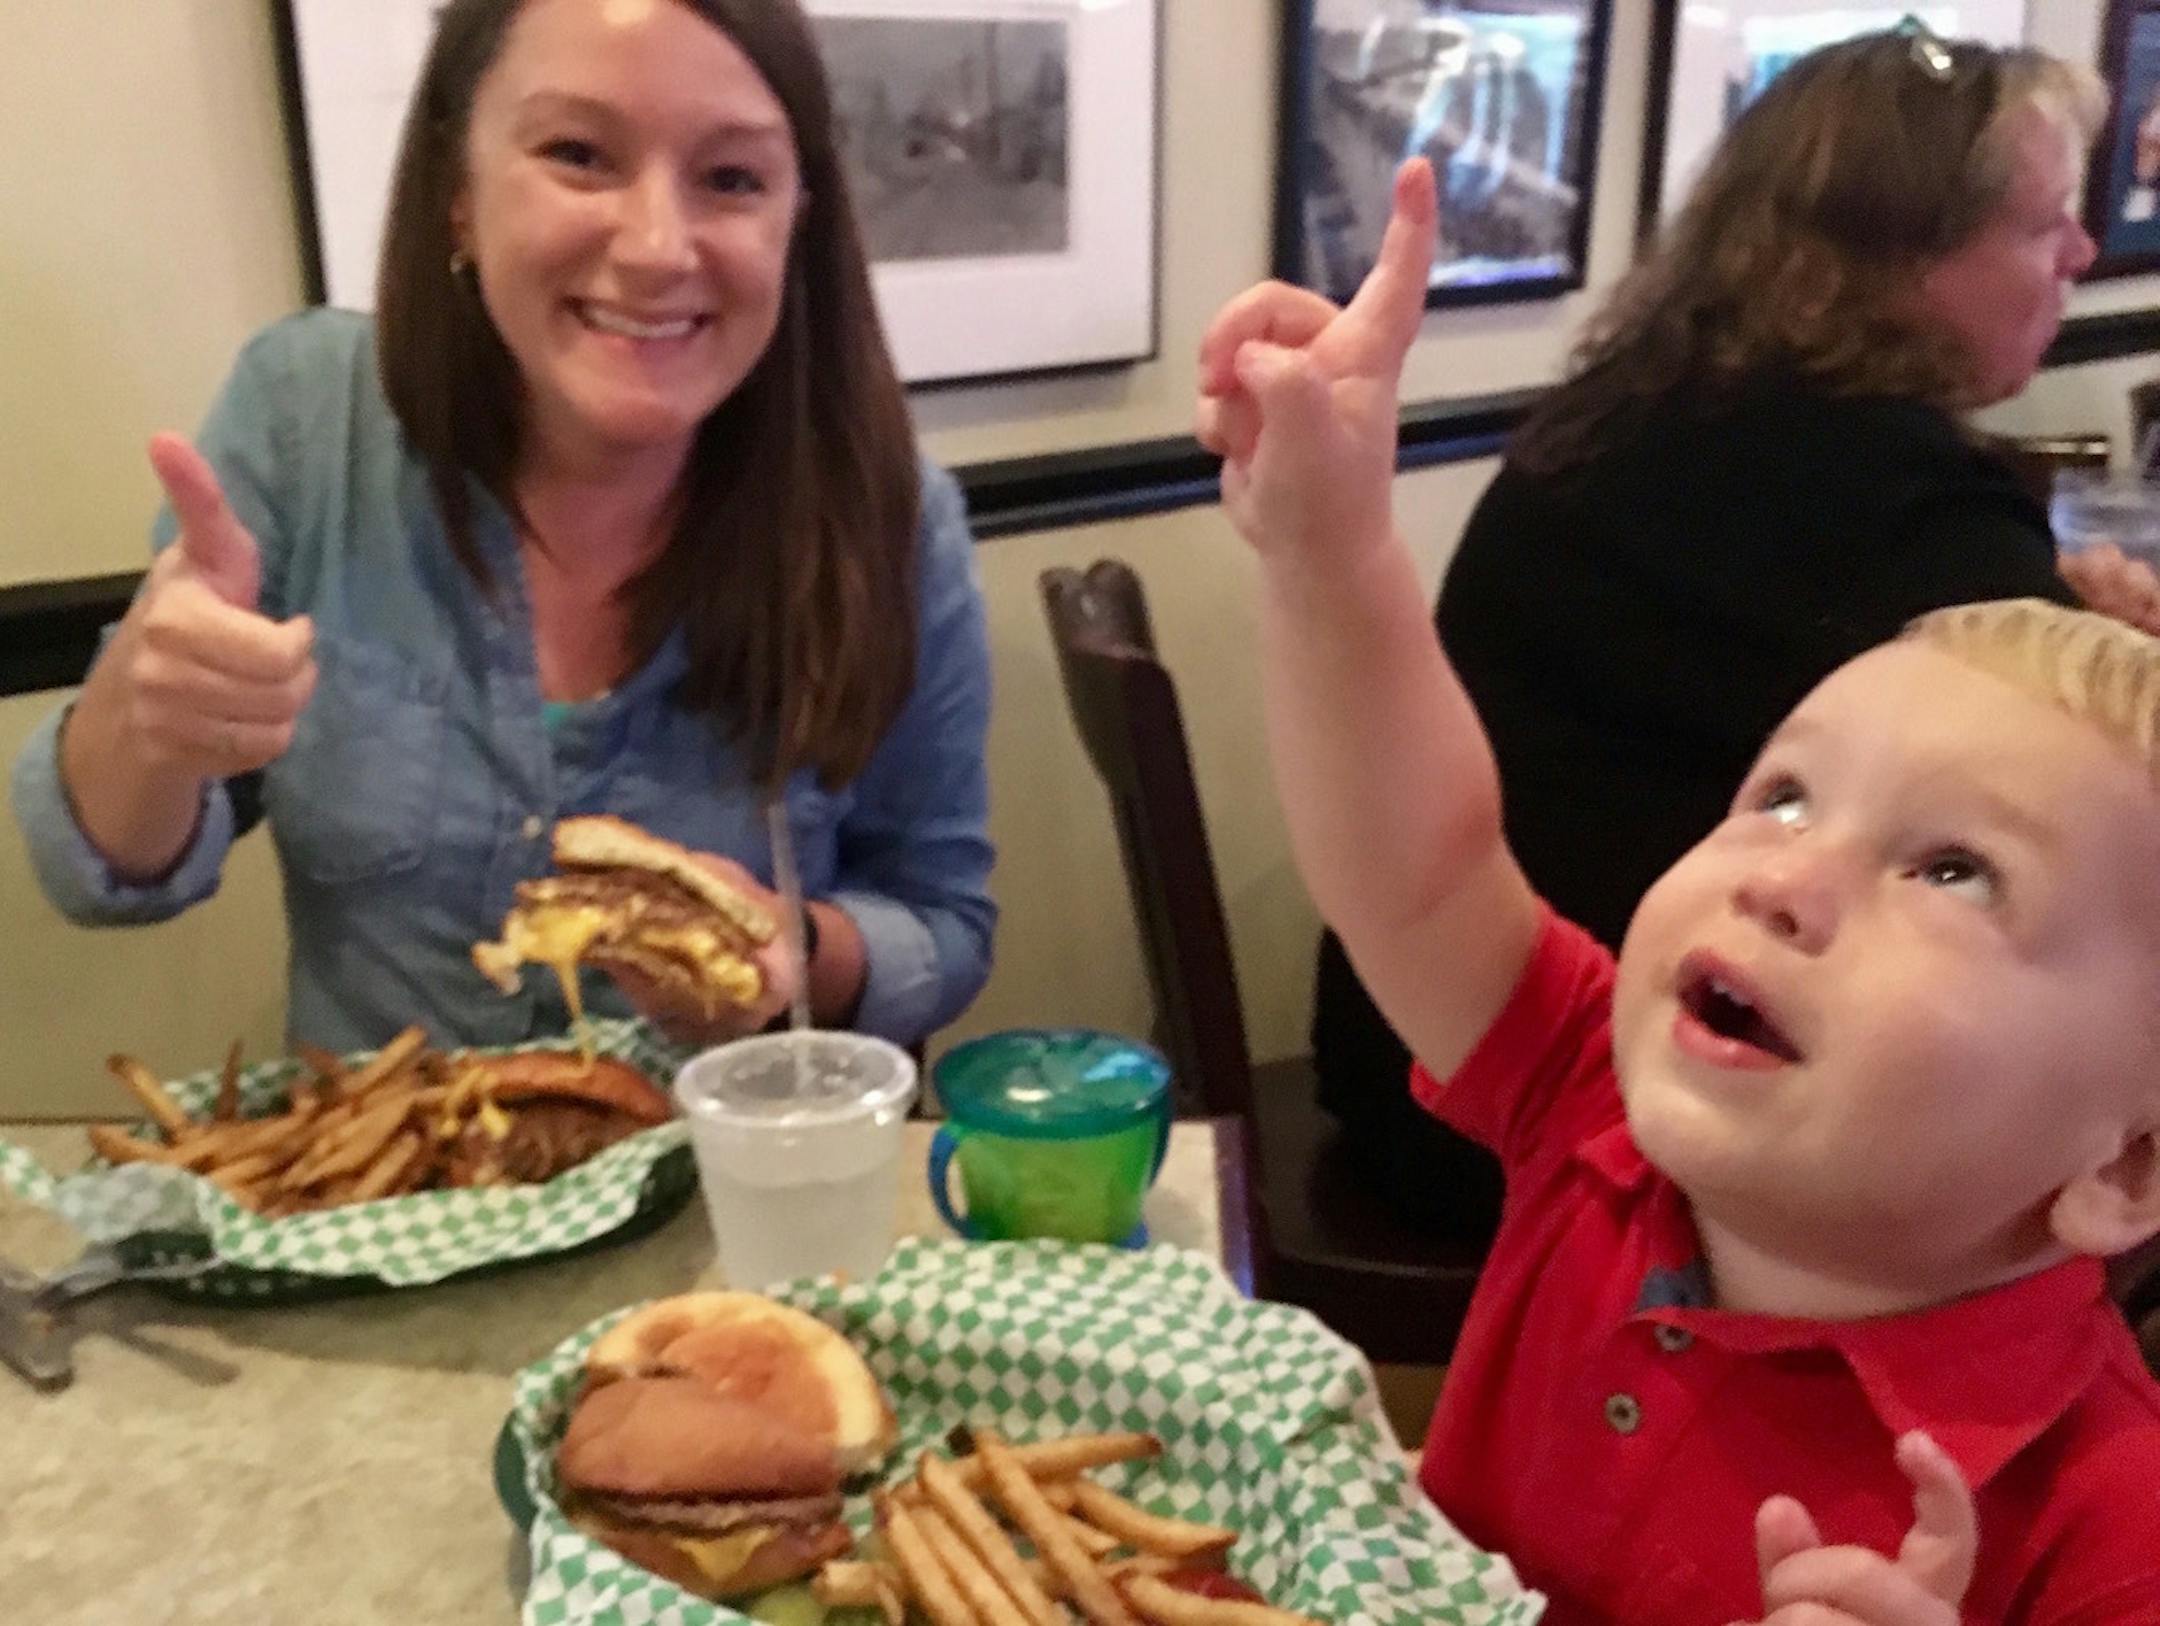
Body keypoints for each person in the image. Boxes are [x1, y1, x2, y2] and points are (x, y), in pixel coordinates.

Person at [1200, 156, 2160, 1624]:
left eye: (1956, 869)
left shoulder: (2109, 1518)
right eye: (1782, 792)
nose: (1787, 873)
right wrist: (1329, 552)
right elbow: (1426, 866)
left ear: (2128, 1167)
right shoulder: (1591, 1109)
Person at [10, 0, 995, 1057]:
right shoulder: (303, 421)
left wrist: (793, 951)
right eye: (579, 155)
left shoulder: (892, 522)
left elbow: (942, 919)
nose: (659, 247)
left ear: (798, 216)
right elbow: (101, 877)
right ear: (458, 197)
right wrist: (149, 723)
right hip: (373, 1202)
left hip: (729, 1195)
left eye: (733, 178)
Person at [1309, 25, 2137, 1240]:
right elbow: (2094, 804)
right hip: (1568, 1106)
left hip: (1415, 1050)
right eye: (2039, 223)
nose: (2082, 251)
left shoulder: (1647, 406)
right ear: (1899, 258)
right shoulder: (1887, 490)